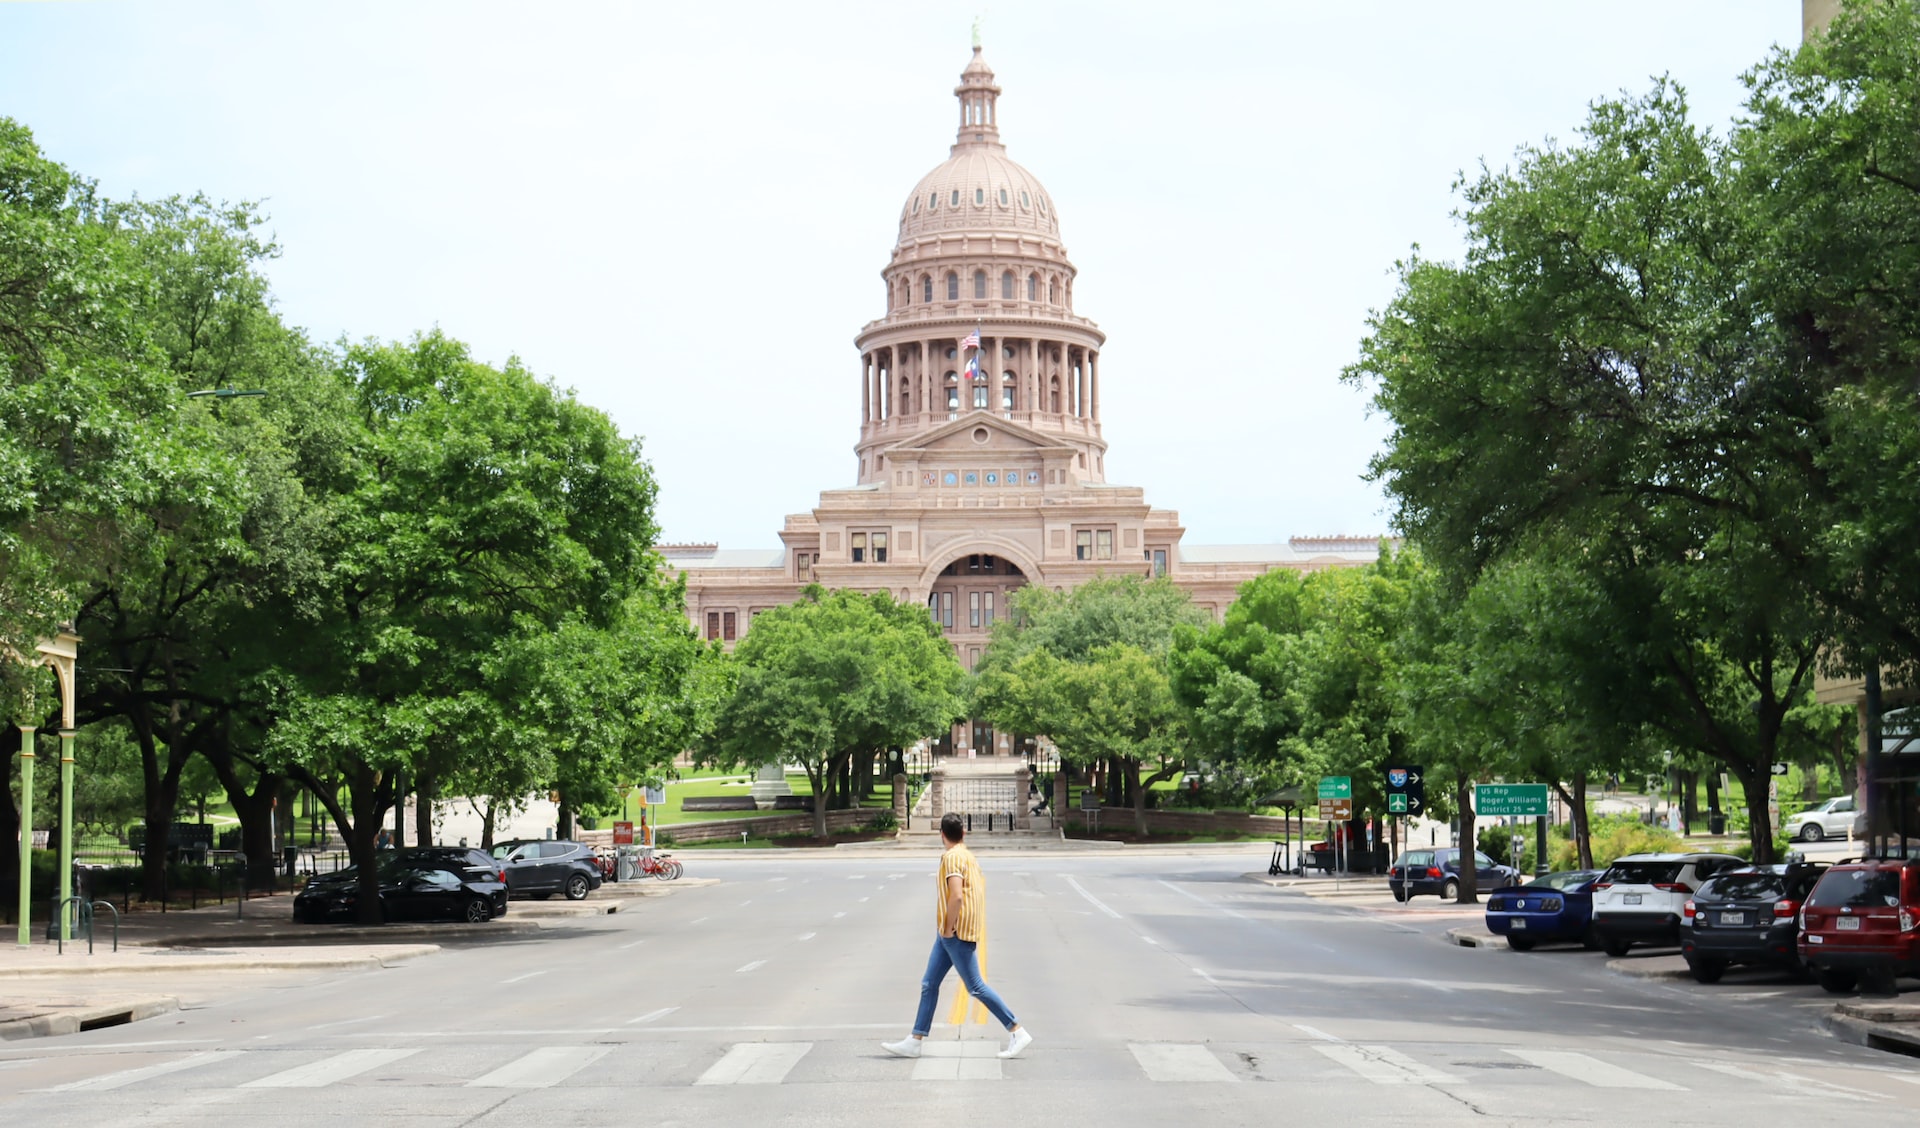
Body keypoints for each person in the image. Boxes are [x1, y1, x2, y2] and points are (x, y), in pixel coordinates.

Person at [881, 812, 1032, 1060]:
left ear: (942, 834)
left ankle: (1016, 1030)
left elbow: (957, 896)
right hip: (951, 932)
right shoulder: (968, 856)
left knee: (976, 987)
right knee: (929, 984)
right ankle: (915, 1040)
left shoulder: (951, 859)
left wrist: (949, 927)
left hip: (955, 931)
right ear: (963, 833)